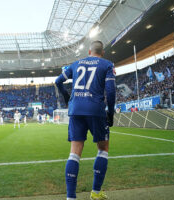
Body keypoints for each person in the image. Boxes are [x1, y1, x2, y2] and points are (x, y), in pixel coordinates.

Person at [55, 40, 116, 200]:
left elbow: (57, 81)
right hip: (96, 109)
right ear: (102, 53)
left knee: (74, 153)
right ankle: (96, 193)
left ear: (89, 52)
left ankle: (70, 198)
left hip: (75, 109)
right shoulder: (107, 64)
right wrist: (110, 112)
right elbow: (110, 91)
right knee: (103, 149)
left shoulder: (76, 64)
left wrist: (67, 96)